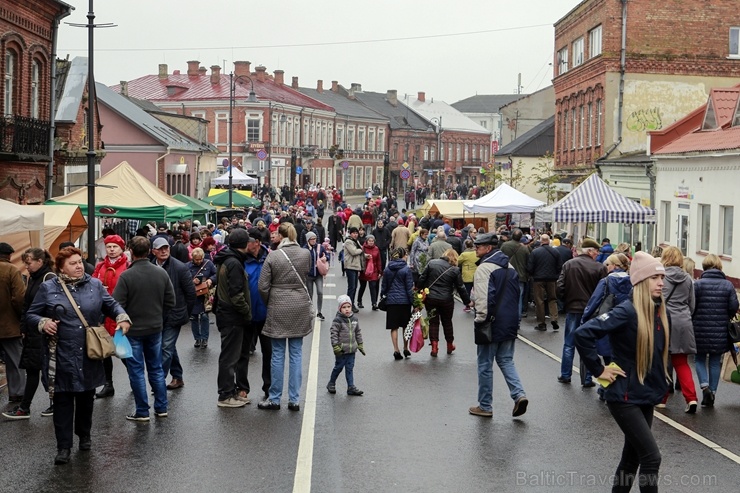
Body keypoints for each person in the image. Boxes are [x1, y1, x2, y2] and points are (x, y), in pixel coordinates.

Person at [575, 251, 669, 493]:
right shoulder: (627, 311)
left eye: (662, 277)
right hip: (624, 396)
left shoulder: (658, 312)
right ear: (639, 281)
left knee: (632, 459)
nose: (660, 282)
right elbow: (583, 333)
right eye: (654, 277)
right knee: (651, 457)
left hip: (645, 394)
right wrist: (599, 370)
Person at [26, 247, 131, 465]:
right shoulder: (48, 288)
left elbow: (111, 304)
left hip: (88, 353)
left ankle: (84, 435)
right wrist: (43, 323)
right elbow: (31, 315)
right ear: (61, 267)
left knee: (85, 399)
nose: (79, 266)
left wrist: (122, 317)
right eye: (73, 263)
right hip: (60, 354)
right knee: (62, 400)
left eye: (80, 262)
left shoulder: (93, 284)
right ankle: (63, 447)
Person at [112, 236, 175, 422]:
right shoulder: (161, 273)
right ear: (149, 251)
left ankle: (142, 411)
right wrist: (158, 316)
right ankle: (161, 407)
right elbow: (171, 301)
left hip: (133, 330)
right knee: (156, 369)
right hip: (155, 327)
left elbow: (117, 304)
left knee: (136, 370)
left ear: (130, 250)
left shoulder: (126, 276)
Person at [468, 233, 528, 419]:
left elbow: (485, 297)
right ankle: (519, 395)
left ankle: (485, 405)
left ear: (488, 249)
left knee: (485, 364)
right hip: (509, 321)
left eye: (479, 246)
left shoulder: (484, 269)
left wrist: (481, 319)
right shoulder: (509, 267)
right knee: (506, 360)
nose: (476, 248)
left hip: (491, 322)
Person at [258, 222, 312, 412]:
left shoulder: (273, 256)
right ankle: (294, 399)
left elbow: (262, 286)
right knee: (296, 353)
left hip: (279, 304)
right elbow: (306, 276)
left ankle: (274, 398)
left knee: (277, 355)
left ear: (280, 236)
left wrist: (271, 300)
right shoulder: (306, 254)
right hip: (299, 304)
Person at [3, 248, 55, 420]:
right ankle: (25, 407)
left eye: (29, 262)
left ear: (40, 261)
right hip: (34, 330)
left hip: (45, 331)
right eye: (25, 262)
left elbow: (51, 305)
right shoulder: (33, 278)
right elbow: (26, 305)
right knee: (34, 369)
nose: (26, 266)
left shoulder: (49, 278)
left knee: (48, 369)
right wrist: (24, 328)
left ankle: (53, 403)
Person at [581, 253, 632, 401]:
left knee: (607, 359)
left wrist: (585, 319)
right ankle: (611, 388)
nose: (606, 267)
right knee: (619, 356)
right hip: (625, 322)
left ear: (614, 265)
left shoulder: (607, 281)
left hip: (607, 322)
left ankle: (606, 389)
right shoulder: (632, 281)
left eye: (608, 265)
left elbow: (594, 301)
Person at [557, 238, 606, 385]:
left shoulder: (569, 265)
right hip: (591, 311)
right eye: (596, 251)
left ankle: (565, 375)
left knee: (569, 344)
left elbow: (559, 287)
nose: (597, 254)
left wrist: (566, 301)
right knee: (588, 344)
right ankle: (586, 378)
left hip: (573, 308)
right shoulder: (599, 268)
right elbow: (604, 291)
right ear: (590, 251)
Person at [692, 254, 739, 407]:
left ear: (704, 267)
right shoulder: (728, 285)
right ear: (719, 267)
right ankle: (712, 392)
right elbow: (733, 307)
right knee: (714, 361)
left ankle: (704, 387)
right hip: (719, 330)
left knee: (699, 358)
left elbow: (691, 306)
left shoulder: (697, 285)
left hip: (699, 328)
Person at [213, 229, 253, 408]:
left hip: (225, 313)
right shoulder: (234, 262)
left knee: (230, 356)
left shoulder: (226, 259)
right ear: (245, 244)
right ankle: (226, 395)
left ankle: (230, 392)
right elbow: (236, 294)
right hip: (232, 316)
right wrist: (246, 312)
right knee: (229, 357)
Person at [151, 237, 196, 391]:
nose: (164, 251)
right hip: (156, 315)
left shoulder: (180, 267)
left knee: (165, 348)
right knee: (169, 348)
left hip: (174, 315)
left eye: (166, 248)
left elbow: (191, 294)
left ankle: (158, 381)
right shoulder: (150, 266)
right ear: (153, 251)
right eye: (160, 248)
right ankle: (177, 376)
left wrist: (184, 313)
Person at [658, 247, 698, 413]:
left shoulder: (661, 277)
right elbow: (692, 304)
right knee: (681, 362)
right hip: (683, 322)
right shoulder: (688, 279)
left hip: (664, 321)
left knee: (662, 362)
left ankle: (661, 399)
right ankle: (692, 398)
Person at [91, 234, 129, 399]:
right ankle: (108, 384)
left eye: (115, 247)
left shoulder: (127, 266)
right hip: (102, 316)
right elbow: (91, 285)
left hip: (119, 315)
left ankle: (136, 380)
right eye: (109, 247)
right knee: (104, 353)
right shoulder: (100, 267)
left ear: (122, 249)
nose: (112, 250)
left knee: (123, 353)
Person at [418, 248, 470, 357]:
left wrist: (418, 292)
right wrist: (467, 302)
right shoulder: (454, 270)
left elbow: (422, 278)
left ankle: (434, 346)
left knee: (433, 322)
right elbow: (461, 287)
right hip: (446, 299)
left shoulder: (432, 263)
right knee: (447, 322)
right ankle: (450, 345)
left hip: (431, 298)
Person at [244, 229, 272, 399]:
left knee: (269, 353)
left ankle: (268, 387)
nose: (246, 244)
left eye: (249, 241)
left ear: (258, 242)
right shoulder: (241, 259)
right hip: (246, 314)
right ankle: (242, 388)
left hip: (267, 314)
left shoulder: (270, 258)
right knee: (243, 353)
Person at [0, 242, 26, 404]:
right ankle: (16, 394)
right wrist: (22, 319)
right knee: (15, 362)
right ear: (9, 255)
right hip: (9, 326)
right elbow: (19, 298)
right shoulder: (12, 270)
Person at [327, 295, 365, 396]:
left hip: (352, 350)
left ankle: (351, 387)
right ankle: (331, 383)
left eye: (348, 306)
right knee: (338, 367)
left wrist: (360, 344)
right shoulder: (338, 320)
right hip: (341, 350)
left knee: (350, 368)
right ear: (340, 309)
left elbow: (358, 332)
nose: (347, 309)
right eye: (344, 307)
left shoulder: (354, 319)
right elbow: (333, 333)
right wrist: (335, 346)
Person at [381, 248, 414, 360]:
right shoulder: (406, 269)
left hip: (391, 301)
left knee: (394, 327)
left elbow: (384, 286)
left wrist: (383, 295)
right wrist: (414, 302)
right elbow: (409, 288)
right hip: (404, 301)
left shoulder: (387, 269)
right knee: (406, 326)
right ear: (402, 256)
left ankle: (396, 350)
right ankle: (405, 348)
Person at [527, 234, 561, 331]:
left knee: (539, 301)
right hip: (552, 279)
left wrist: (533, 275)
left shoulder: (535, 252)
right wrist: (555, 274)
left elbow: (530, 267)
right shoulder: (556, 252)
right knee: (552, 299)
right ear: (549, 241)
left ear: (541, 241)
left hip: (538, 279)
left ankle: (541, 323)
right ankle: (554, 318)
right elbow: (559, 266)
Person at [187, 248, 216, 348]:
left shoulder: (209, 264)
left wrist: (210, 280)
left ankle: (204, 339)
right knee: (193, 318)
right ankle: (197, 339)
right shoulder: (187, 266)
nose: (198, 261)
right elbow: (183, 280)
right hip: (193, 295)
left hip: (205, 295)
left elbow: (216, 274)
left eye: (200, 259)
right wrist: (191, 281)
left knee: (204, 317)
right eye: (196, 259)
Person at [500, 229, 530, 321]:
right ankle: (518, 318)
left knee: (506, 296)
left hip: (507, 274)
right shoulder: (524, 249)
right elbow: (528, 263)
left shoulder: (505, 245)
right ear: (521, 237)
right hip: (520, 276)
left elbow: (500, 258)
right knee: (519, 297)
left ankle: (507, 317)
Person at [304, 231, 327, 320]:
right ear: (308, 240)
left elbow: (326, 255)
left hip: (318, 274)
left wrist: (325, 258)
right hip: (308, 275)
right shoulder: (305, 248)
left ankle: (319, 311)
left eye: (315, 239)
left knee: (320, 292)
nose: (314, 240)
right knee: (310, 294)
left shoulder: (319, 247)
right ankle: (310, 311)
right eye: (311, 239)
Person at [343, 227, 365, 313]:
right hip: (350, 266)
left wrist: (365, 255)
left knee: (355, 287)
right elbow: (354, 252)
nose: (355, 234)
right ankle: (349, 305)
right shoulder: (348, 241)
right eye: (354, 233)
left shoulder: (356, 241)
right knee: (351, 287)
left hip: (356, 266)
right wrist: (361, 250)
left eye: (356, 233)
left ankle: (352, 303)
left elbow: (360, 252)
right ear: (350, 233)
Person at [358, 235, 382, 310]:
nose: (371, 242)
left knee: (373, 286)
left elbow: (378, 260)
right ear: (367, 241)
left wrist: (380, 271)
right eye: (369, 241)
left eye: (372, 241)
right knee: (363, 286)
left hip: (373, 270)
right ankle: (359, 300)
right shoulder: (363, 248)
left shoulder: (376, 249)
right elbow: (360, 258)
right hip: (364, 270)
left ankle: (374, 303)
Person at [457, 239, 478, 308]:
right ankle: (477, 304)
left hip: (467, 275)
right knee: (477, 291)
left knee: (467, 291)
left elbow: (457, 262)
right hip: (476, 274)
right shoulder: (476, 253)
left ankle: (468, 306)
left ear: (465, 246)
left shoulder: (464, 254)